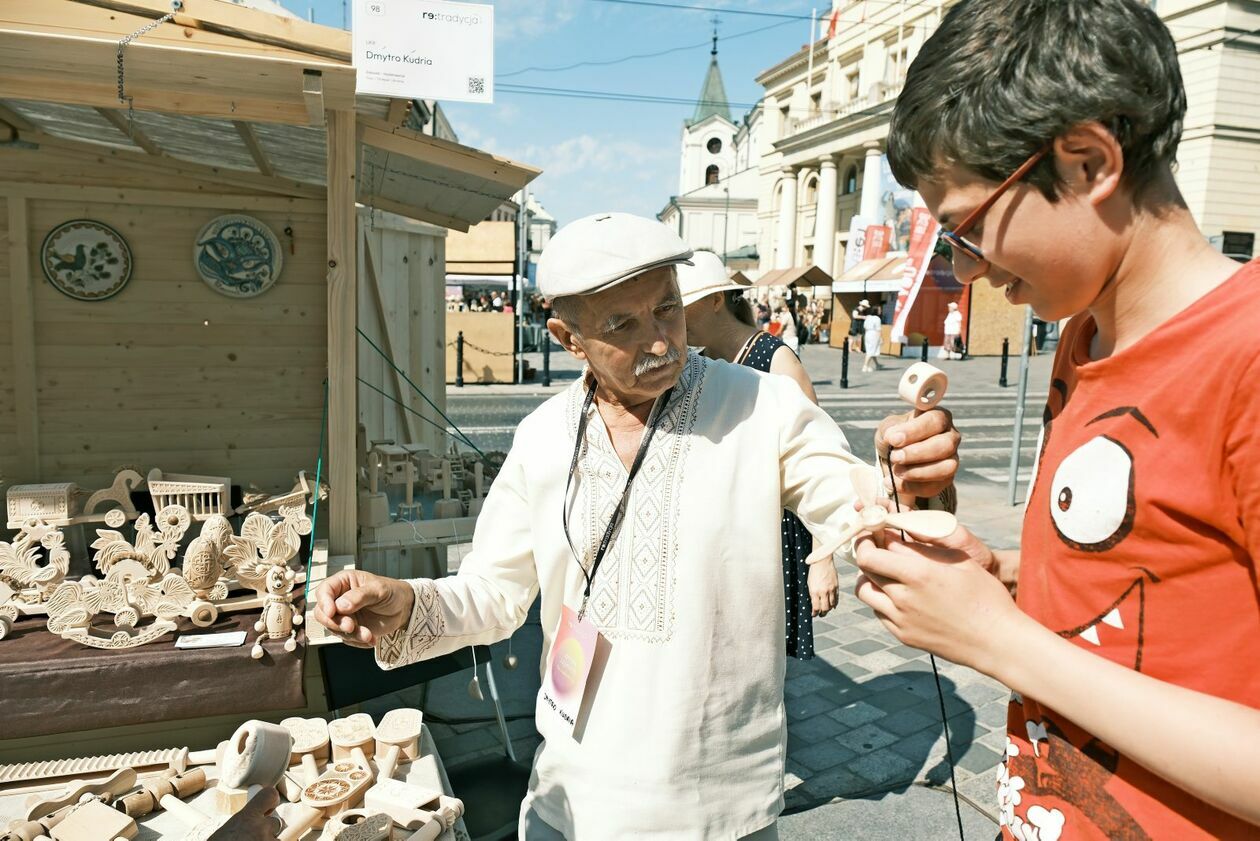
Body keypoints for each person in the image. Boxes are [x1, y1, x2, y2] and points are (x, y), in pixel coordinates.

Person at [314, 213, 962, 840]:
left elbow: (861, 504)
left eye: (668, 307)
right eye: (623, 323)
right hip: (570, 790)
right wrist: (406, 605)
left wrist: (911, 480)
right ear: (568, 338)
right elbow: (491, 594)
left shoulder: (761, 406)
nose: (660, 340)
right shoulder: (540, 437)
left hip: (717, 805)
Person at [856, 0, 1260, 837]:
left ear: (1086, 163)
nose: (964, 273)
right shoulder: (1084, 337)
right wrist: (994, 571)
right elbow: (1155, 589)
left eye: (966, 228)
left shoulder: (1246, 359)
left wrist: (996, 638)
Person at [677, 250, 830, 661]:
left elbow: (817, 460)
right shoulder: (701, 362)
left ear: (715, 301)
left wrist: (823, 559)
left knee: (765, 654)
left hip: (774, 529)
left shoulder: (773, 357)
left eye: (681, 305)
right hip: (728, 529)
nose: (675, 317)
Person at [861, 304, 882, 372]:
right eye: (879, 310)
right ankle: (865, 366)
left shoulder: (868, 317)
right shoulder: (877, 319)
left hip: (867, 334)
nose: (880, 311)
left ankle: (877, 364)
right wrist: (881, 338)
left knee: (871, 350)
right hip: (874, 334)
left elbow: (864, 326)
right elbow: (878, 329)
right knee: (871, 351)